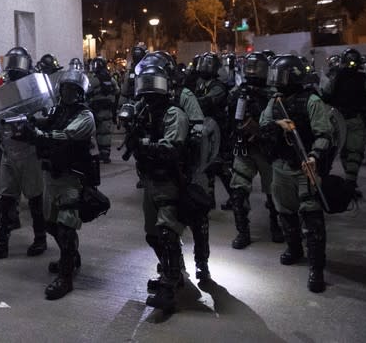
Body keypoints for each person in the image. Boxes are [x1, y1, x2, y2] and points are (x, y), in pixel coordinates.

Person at [260, 55, 333, 293]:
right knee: (284, 211)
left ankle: (316, 267)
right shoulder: (275, 102)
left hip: (304, 165)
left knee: (311, 217)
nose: (276, 82)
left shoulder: (312, 100)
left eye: (280, 77)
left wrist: (314, 157)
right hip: (280, 166)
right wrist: (278, 125)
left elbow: (324, 134)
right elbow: (263, 125)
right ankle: (294, 248)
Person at [120, 64, 189, 313]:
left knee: (168, 232)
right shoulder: (143, 114)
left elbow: (172, 147)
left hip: (169, 179)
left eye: (153, 86)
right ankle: (174, 270)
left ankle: (169, 285)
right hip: (150, 180)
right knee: (152, 234)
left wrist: (145, 144)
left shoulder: (174, 114)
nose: (148, 94)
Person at [31, 67, 96, 300]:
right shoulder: (57, 111)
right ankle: (71, 257)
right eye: (65, 88)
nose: (67, 93)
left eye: (72, 89)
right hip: (52, 175)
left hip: (71, 178)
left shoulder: (85, 116)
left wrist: (40, 134)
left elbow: (67, 135)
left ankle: (66, 279)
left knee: (66, 228)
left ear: (80, 93)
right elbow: (44, 122)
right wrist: (29, 122)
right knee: (50, 224)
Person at [0, 47, 47, 262]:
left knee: (35, 197)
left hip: (29, 151)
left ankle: (40, 238)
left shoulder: (36, 88)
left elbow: (46, 114)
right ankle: (1, 243)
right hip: (8, 151)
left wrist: (31, 125)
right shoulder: (4, 91)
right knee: (6, 198)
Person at [227, 52, 283, 249]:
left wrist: (262, 131)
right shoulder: (238, 93)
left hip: (267, 151)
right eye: (250, 66)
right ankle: (243, 232)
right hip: (245, 149)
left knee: (274, 193)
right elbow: (231, 121)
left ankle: (277, 226)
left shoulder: (274, 95)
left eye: (256, 67)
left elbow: (281, 125)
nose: (252, 70)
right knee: (238, 192)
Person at [320, 48, 366, 195]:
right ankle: (350, 183)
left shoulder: (337, 76)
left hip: (340, 120)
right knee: (354, 152)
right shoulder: (364, 78)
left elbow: (326, 95)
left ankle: (349, 183)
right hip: (353, 119)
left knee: (346, 152)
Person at [194, 52, 232, 210]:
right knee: (207, 164)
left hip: (217, 129)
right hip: (206, 127)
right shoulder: (201, 82)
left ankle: (236, 196)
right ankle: (209, 199)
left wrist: (191, 101)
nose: (203, 67)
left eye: (207, 64)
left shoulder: (218, 86)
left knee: (220, 166)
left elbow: (206, 102)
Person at [87, 56, 119, 163]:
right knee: (106, 131)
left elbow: (87, 88)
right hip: (108, 108)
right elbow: (117, 89)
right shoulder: (110, 78)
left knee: (99, 131)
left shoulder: (95, 79)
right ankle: (106, 153)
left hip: (97, 108)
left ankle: (102, 153)